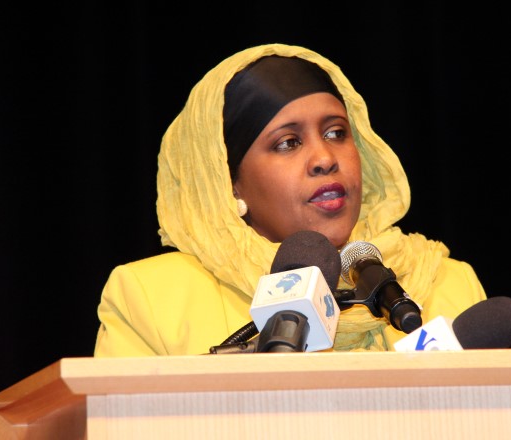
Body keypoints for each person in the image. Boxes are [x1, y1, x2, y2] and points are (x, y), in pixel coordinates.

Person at [93, 43, 487, 357]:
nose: (324, 158)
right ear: (230, 183)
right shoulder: (151, 297)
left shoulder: (445, 283)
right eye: (288, 142)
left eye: (336, 133)